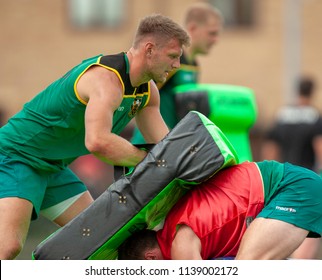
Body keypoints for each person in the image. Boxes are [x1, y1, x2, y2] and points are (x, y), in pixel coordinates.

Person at [0, 14, 190, 260]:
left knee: (100, 241)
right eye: (173, 56)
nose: (176, 65)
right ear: (150, 49)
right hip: (17, 156)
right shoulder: (105, 80)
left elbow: (166, 148)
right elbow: (98, 141)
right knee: (8, 247)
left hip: (53, 167)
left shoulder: (147, 91)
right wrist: (150, 161)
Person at [118, 160, 322, 260]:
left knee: (244, 271)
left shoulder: (180, 246)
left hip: (289, 187)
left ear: (150, 258)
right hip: (280, 189)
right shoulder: (173, 225)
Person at [131, 2, 223, 144]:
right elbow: (140, 98)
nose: (216, 40)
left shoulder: (194, 65)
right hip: (151, 145)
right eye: (212, 33)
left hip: (172, 144)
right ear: (193, 28)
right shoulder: (169, 63)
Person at [261, 76, 322, 258]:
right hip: (307, 178)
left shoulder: (282, 115)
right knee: (309, 225)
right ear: (312, 92)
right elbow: (320, 147)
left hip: (284, 177)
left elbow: (271, 148)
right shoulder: (315, 116)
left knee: (283, 221)